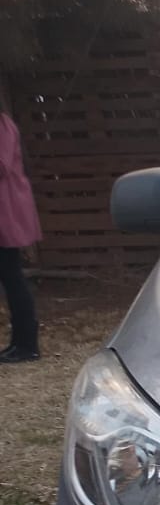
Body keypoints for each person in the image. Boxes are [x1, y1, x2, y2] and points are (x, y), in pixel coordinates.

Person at [0, 97, 42, 363]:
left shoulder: (2, 125)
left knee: (12, 276)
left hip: (5, 209)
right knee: (10, 276)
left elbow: (1, 165)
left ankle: (27, 344)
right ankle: (21, 342)